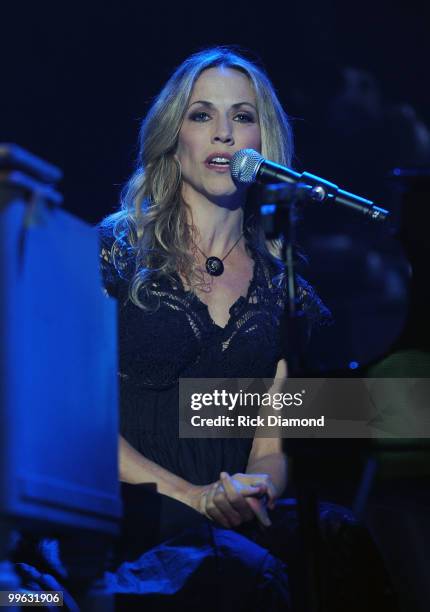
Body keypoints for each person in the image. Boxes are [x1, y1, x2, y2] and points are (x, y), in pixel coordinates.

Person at [98, 47, 398, 611]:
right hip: (129, 500)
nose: (223, 134)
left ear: (265, 142)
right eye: (201, 114)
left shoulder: (286, 292)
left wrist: (256, 490)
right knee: (229, 571)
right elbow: (72, 418)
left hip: (233, 520)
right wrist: (193, 496)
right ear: (174, 134)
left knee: (336, 537)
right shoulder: (115, 251)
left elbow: (272, 444)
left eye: (242, 116)